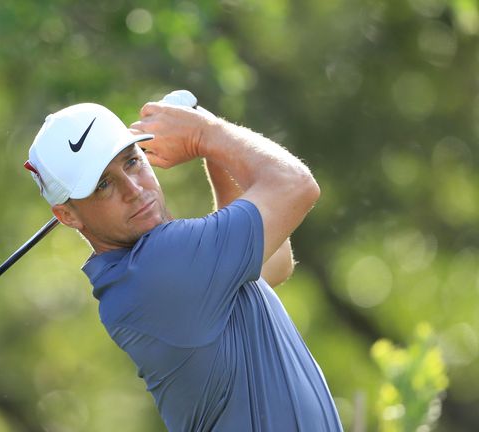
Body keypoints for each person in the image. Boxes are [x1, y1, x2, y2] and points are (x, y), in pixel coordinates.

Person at [23, 93, 343, 431]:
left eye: (132, 161)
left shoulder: (150, 275)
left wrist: (211, 150)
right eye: (103, 184)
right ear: (67, 214)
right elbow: (296, 186)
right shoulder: (156, 268)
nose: (132, 188)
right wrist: (205, 133)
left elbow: (274, 264)